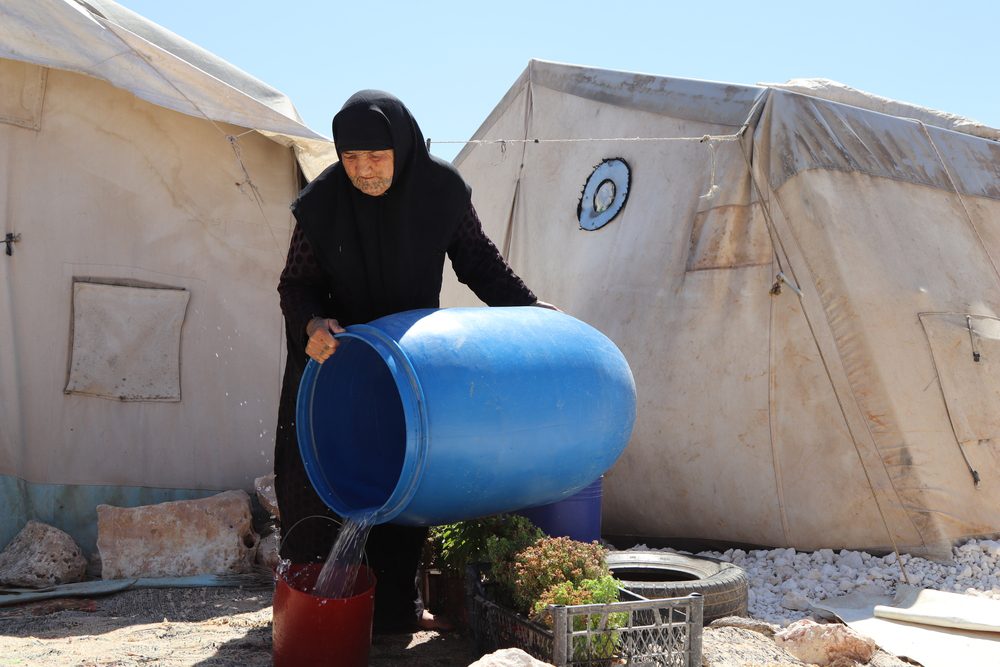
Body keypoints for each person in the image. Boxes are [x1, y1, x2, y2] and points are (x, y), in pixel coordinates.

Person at [274, 90, 550, 632]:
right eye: (351, 158)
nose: (363, 170)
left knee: (403, 477)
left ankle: (394, 613)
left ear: (401, 149)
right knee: (323, 484)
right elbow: (295, 285)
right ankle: (321, 615)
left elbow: (479, 263)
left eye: (376, 157)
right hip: (335, 368)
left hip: (407, 366)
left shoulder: (440, 191)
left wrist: (532, 311)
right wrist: (312, 325)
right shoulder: (323, 202)